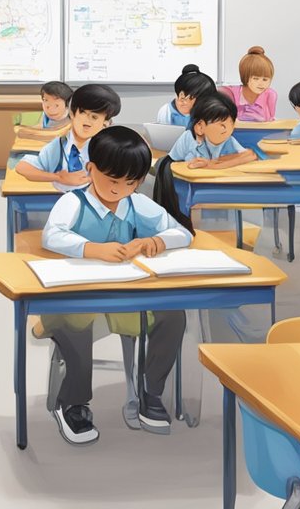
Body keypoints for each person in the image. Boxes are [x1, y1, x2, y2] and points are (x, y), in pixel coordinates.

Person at [41, 126, 192, 444]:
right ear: (90, 169)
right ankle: (73, 403)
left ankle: (151, 393)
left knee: (173, 315)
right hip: (75, 294)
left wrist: (155, 241)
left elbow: (182, 232)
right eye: (112, 180)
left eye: (130, 182)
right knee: (73, 329)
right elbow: (51, 235)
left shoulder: (136, 203)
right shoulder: (74, 202)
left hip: (126, 295)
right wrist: (93, 249)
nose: (119, 189)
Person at [16, 84, 120, 189]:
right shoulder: (59, 145)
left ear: (105, 123)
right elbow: (23, 167)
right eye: (83, 113)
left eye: (94, 117)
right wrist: (58, 177)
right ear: (72, 113)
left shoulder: (108, 149)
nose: (87, 121)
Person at [167, 91, 259, 169]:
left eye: (231, 123)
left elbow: (250, 155)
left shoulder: (228, 140)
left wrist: (212, 164)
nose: (226, 129)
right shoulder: (188, 138)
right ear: (200, 127)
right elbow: (170, 163)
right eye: (221, 124)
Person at [220, 46, 276, 122]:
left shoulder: (270, 94)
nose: (261, 83)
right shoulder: (231, 93)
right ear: (245, 77)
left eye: (265, 79)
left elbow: (271, 120)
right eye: (256, 78)